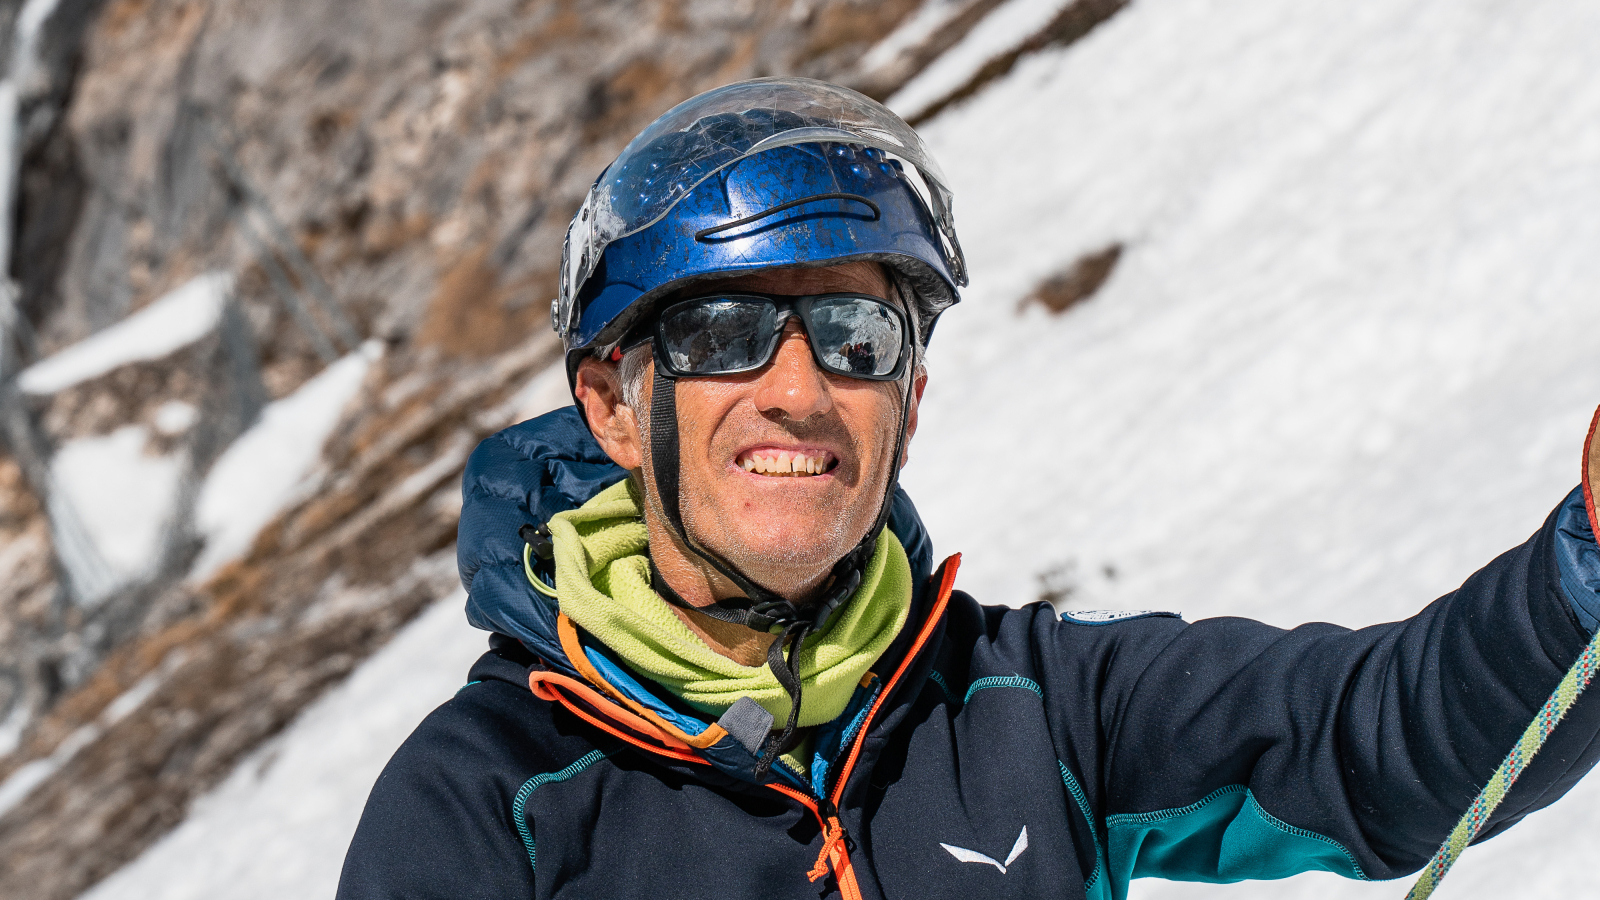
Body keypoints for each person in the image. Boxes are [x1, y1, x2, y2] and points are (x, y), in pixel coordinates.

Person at [336, 77, 1600, 900]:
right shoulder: (483, 805)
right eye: (721, 332)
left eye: (853, 336)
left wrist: (1587, 565)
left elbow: (1377, 743)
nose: (796, 389)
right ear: (614, 404)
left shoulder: (1029, 704)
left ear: (910, 402)